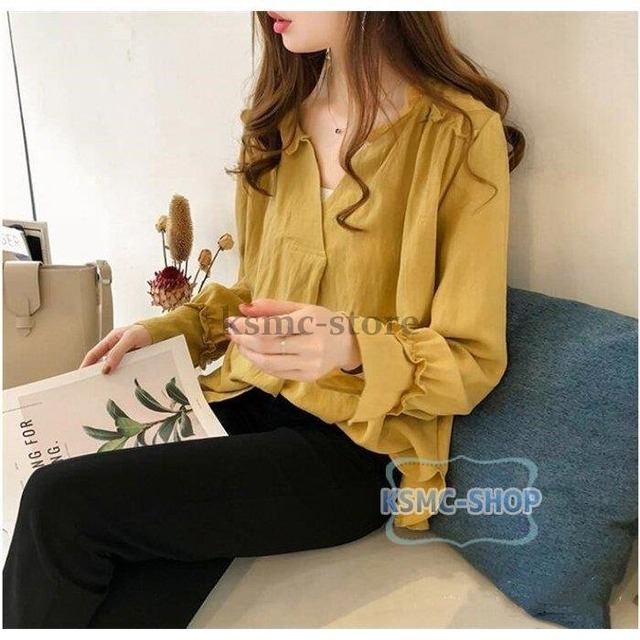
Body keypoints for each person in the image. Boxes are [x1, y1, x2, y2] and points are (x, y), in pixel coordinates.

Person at [3, 11, 525, 628]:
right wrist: (164, 331)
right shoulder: (276, 125)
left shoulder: (457, 134)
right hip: (240, 399)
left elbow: (471, 359)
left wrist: (352, 347)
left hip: (354, 445)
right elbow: (258, 290)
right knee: (120, 591)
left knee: (58, 502)